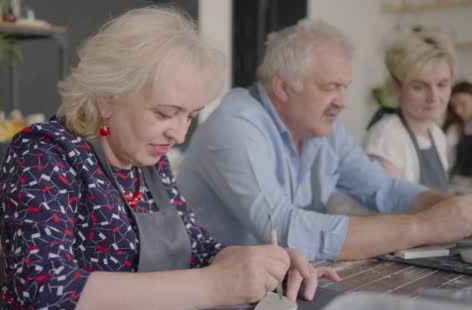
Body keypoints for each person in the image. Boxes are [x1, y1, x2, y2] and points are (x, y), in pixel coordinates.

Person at [0, 7, 339, 310]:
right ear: (108, 98)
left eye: (190, 115)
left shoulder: (147, 163)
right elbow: (49, 300)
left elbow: (198, 249)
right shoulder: (45, 156)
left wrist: (264, 266)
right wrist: (215, 285)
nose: (180, 135)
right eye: (166, 113)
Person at [177, 19, 472, 262]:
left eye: (344, 87)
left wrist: (453, 207)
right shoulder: (236, 127)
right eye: (331, 87)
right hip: (210, 293)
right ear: (282, 87)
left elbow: (383, 188)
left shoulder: (322, 130)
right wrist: (424, 226)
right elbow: (284, 229)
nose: (342, 102)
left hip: (280, 282)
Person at [364, 29, 455, 191]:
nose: (434, 97)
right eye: (419, 87)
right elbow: (388, 209)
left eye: (442, 85)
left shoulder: (437, 135)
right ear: (397, 88)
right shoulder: (386, 137)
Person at [443, 81, 472, 178]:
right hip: (460, 181)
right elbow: (443, 155)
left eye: (463, 104)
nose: (458, 110)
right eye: (454, 106)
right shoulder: (455, 128)